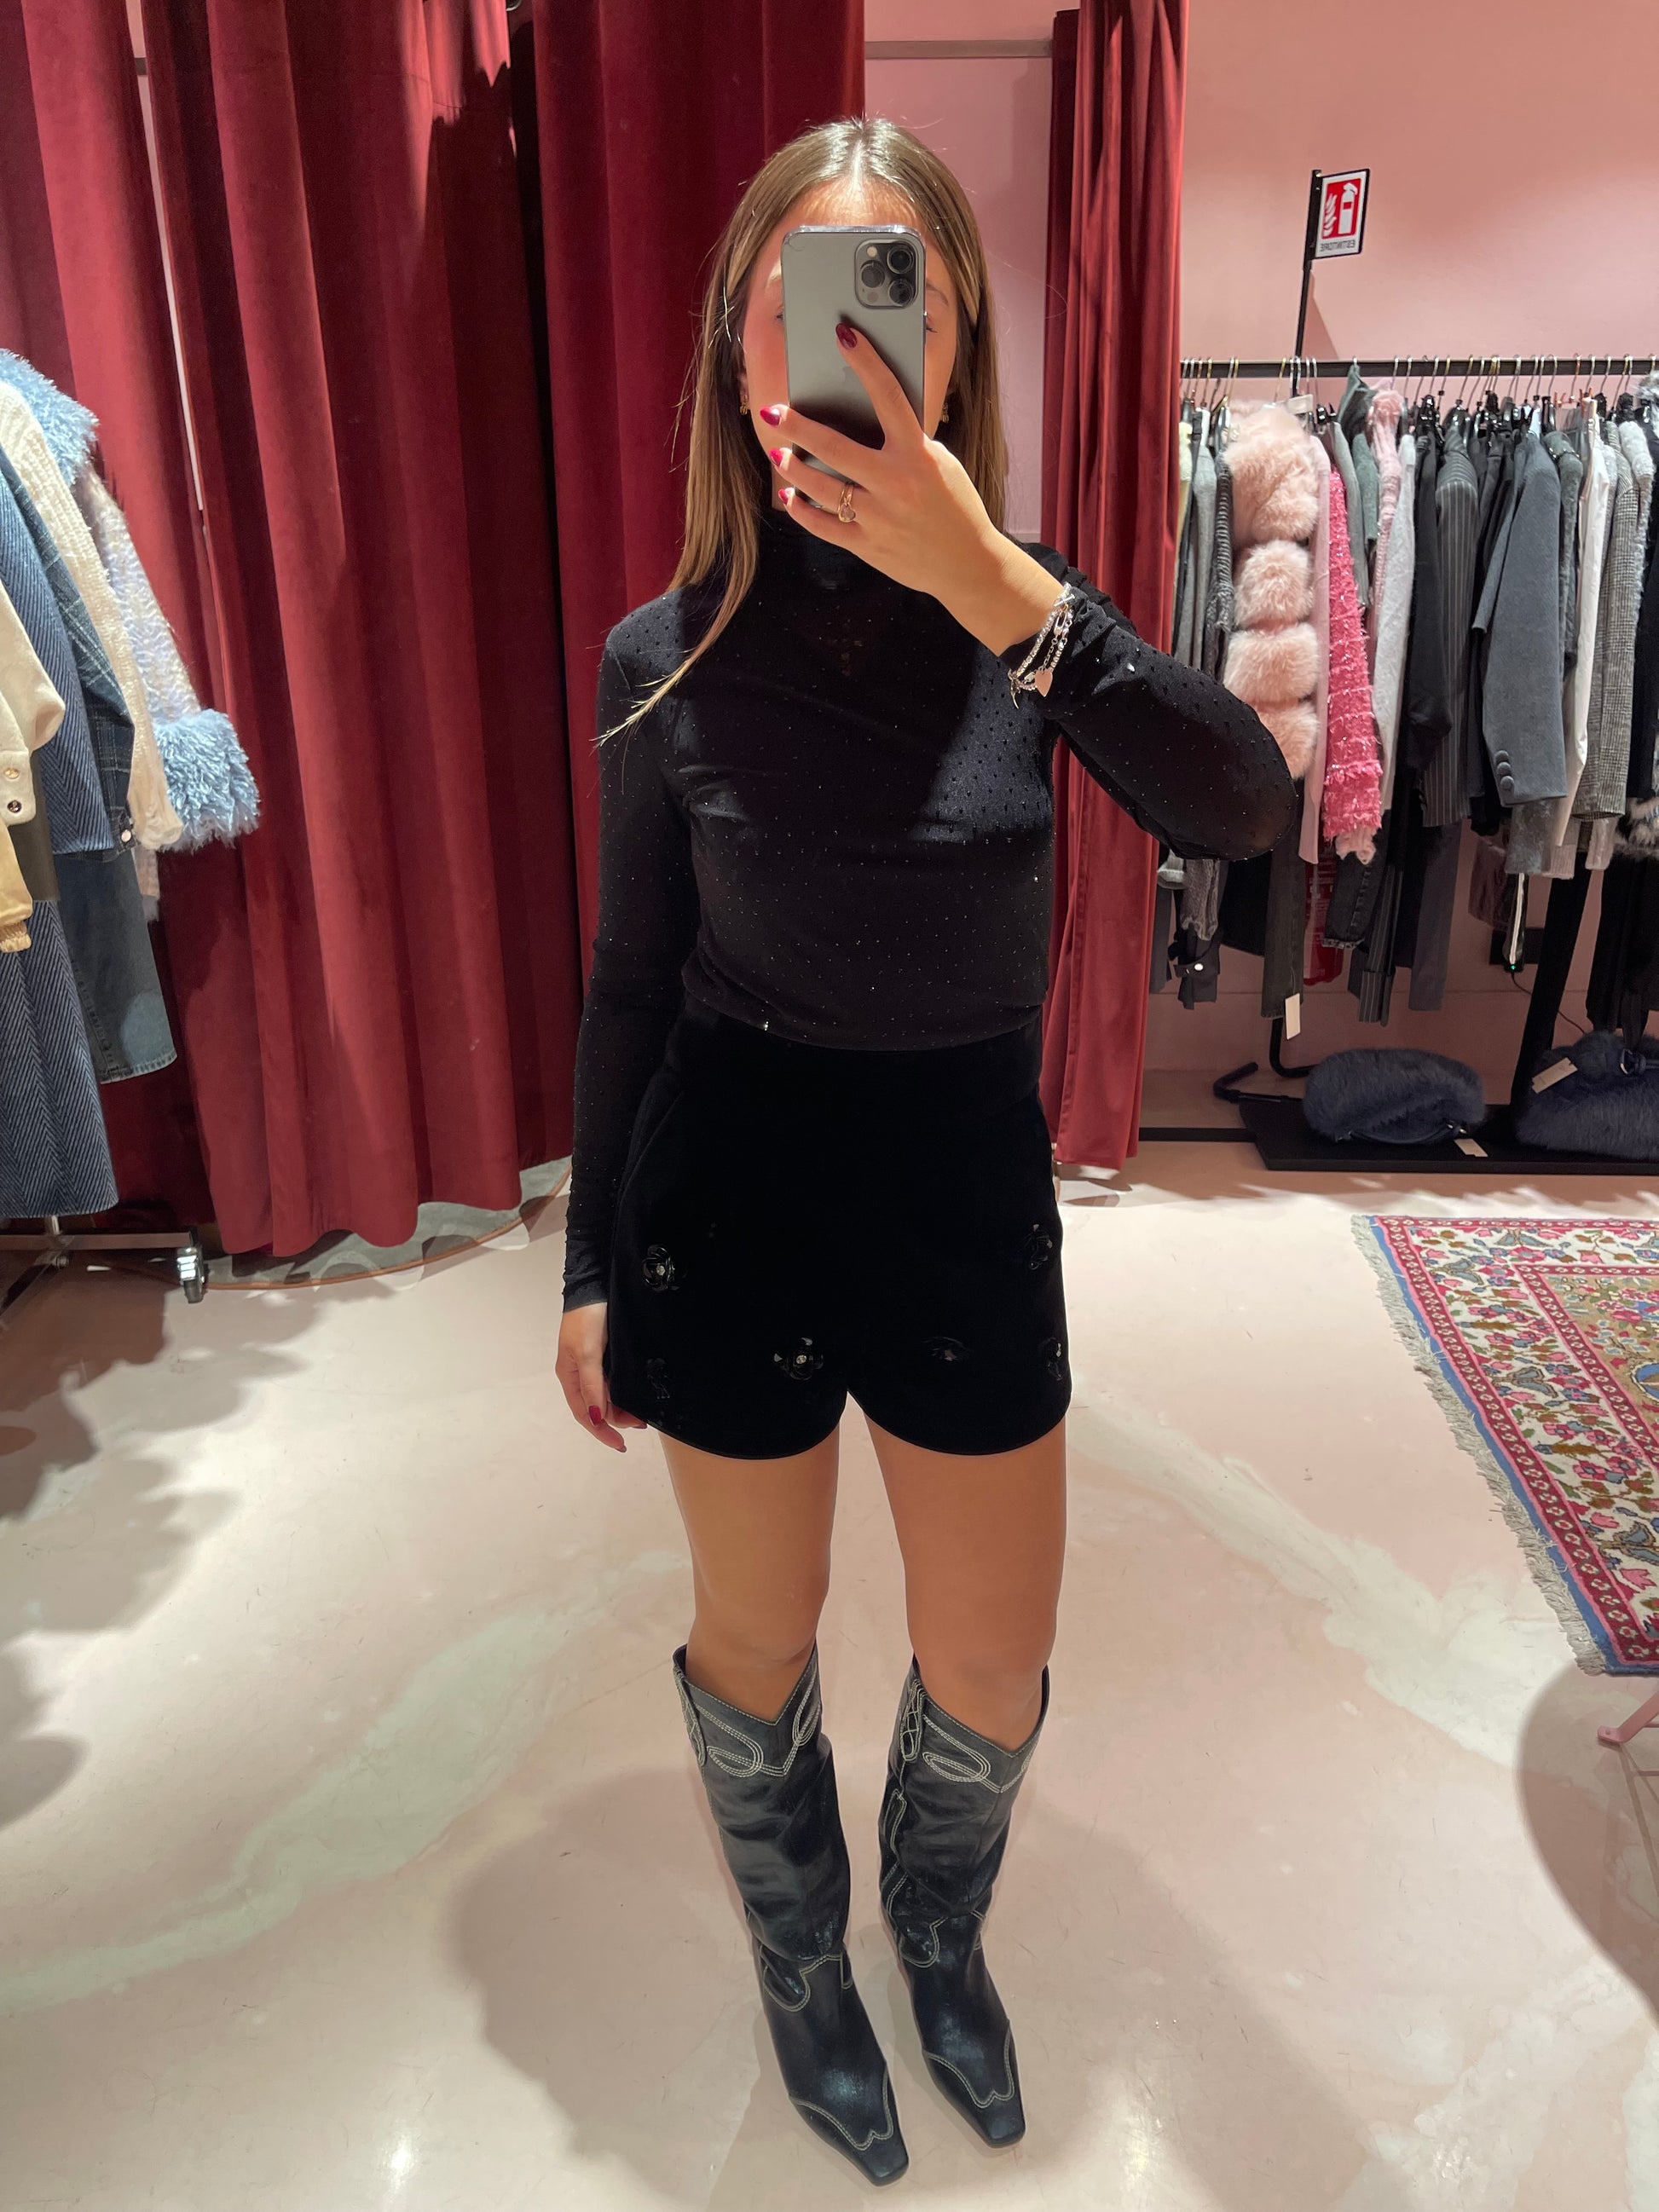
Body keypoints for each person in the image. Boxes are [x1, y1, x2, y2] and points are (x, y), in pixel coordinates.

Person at [554, 116, 1295, 2184]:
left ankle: (938, 1931)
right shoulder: (660, 652)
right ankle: (805, 1961)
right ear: (740, 343)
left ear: (958, 346)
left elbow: (1241, 809)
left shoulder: (1030, 617)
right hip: (728, 1183)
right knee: (759, 1630)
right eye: (808, 293)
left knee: (987, 1652)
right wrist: (589, 1263)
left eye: (907, 297)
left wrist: (995, 585)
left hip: (959, 1184)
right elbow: (629, 980)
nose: (854, 339)